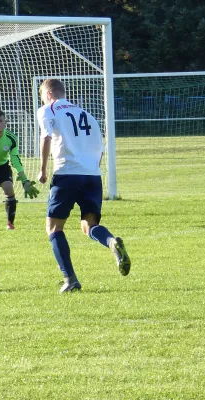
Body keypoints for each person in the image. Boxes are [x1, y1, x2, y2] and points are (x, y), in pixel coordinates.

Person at [37, 79, 131, 293]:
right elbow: (100, 148)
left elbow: (46, 136)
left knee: (54, 228)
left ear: (49, 94)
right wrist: (92, 170)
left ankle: (70, 280)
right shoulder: (86, 114)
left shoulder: (47, 109)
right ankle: (110, 242)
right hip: (92, 175)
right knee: (88, 226)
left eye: (42, 95)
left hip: (67, 173)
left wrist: (42, 169)